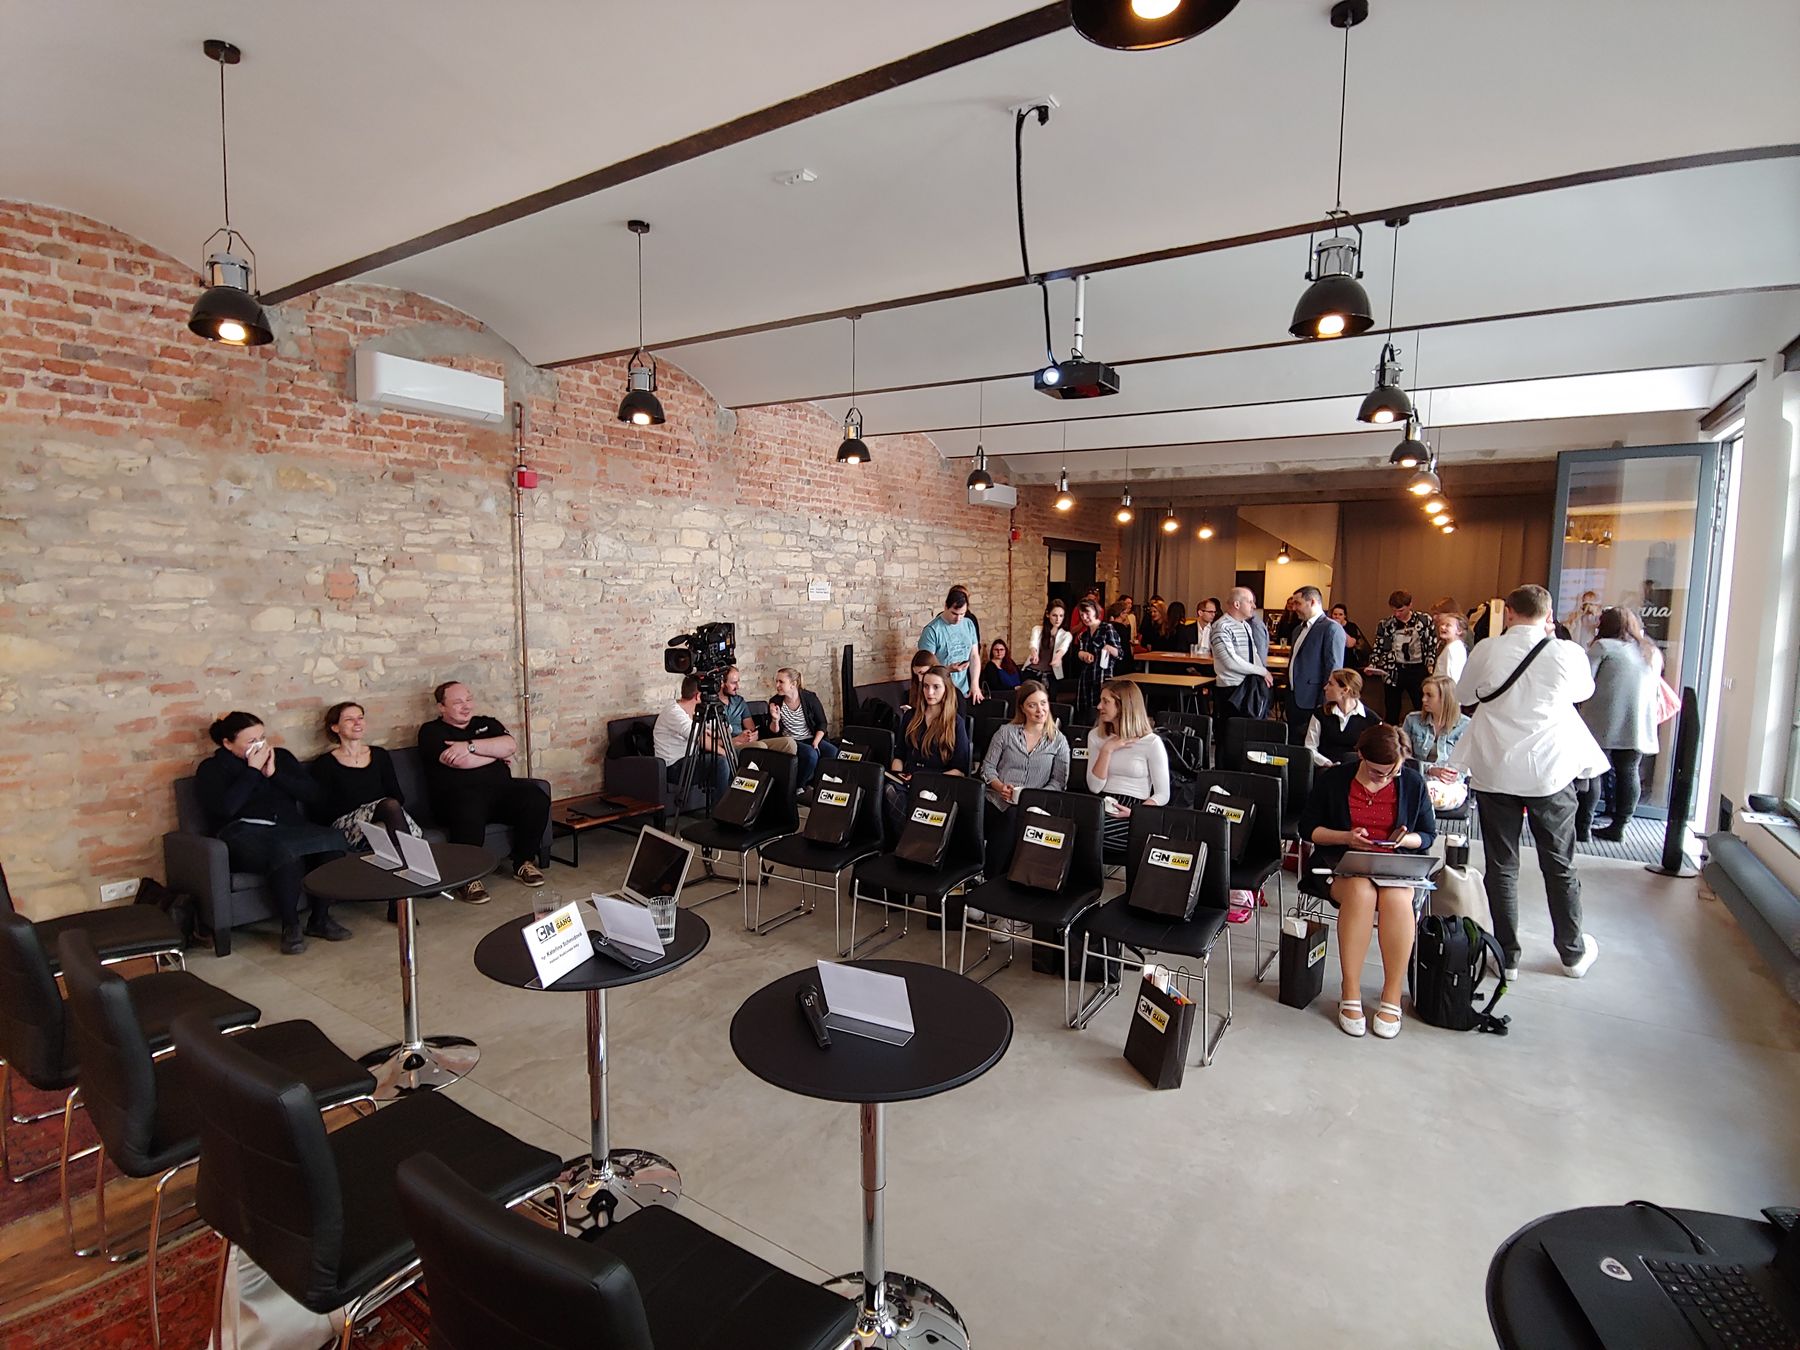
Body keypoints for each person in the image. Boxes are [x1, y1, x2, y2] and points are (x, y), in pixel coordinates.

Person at [1448, 584, 1608, 981]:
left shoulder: (1487, 649)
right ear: (1548, 615)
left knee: (1501, 865)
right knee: (1559, 863)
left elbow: (1465, 695)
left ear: (1510, 613)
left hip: (1495, 767)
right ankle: (1572, 953)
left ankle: (1507, 957)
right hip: (1548, 770)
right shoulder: (1566, 652)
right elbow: (1584, 691)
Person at [1299, 724, 1438, 1038]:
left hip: (1393, 863)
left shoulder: (1412, 782)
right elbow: (1308, 829)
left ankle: (1392, 993)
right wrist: (1346, 837)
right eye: (1377, 772)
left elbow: (1428, 834)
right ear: (1360, 755)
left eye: (1393, 773)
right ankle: (1350, 989)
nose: (1384, 778)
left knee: (1397, 898)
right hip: (1341, 864)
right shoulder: (1334, 779)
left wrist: (1404, 840)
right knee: (1361, 892)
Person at [197, 712, 350, 955]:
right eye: (251, 741)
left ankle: (320, 919)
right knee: (284, 851)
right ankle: (290, 926)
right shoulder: (212, 768)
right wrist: (252, 771)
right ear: (228, 743)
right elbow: (226, 808)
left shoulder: (281, 758)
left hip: (289, 828)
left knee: (333, 840)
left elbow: (314, 795)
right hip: (242, 832)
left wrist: (274, 774)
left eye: (262, 738)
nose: (259, 745)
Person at [418, 682, 550, 902]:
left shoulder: (487, 723)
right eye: (457, 702)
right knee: (468, 805)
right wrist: (495, 753)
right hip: (456, 800)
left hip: (499, 795)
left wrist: (469, 747)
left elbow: (510, 746)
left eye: (468, 700)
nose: (466, 706)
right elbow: (460, 762)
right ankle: (468, 877)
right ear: (441, 707)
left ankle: (524, 862)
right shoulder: (431, 732)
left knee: (535, 797)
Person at [311, 702, 424, 923]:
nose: (357, 723)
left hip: (384, 821)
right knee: (389, 808)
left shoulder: (380, 755)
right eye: (349, 719)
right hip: (347, 827)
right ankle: (410, 884)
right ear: (335, 727)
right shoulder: (325, 764)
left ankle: (397, 902)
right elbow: (321, 810)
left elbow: (397, 795)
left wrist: (376, 815)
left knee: (390, 812)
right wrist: (367, 811)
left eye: (360, 717)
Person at [1576, 607, 1664, 842]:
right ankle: (1620, 827)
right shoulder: (1650, 652)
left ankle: (1583, 827)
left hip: (1602, 719)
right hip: (1638, 722)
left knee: (1592, 771)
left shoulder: (1603, 647)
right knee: (1629, 771)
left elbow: (1583, 682)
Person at [977, 680, 1070, 871]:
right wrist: (1000, 786)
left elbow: (1059, 782)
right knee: (1003, 816)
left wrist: (1032, 797)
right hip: (997, 800)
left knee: (1012, 818)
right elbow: (987, 768)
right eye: (1032, 705)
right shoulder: (1005, 733)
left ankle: (992, 874)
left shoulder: (1059, 741)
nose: (1040, 710)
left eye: (1043, 703)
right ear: (1022, 708)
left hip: (1036, 804)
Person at [1084, 679, 1171, 854]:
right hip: (1103, 802)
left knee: (1087, 836)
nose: (1099, 706)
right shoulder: (1095, 736)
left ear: (1123, 706)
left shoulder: (1151, 742)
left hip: (1135, 808)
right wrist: (1107, 750)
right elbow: (1094, 787)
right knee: (1078, 830)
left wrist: (1136, 813)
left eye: (1106, 702)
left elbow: (1163, 794)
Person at [885, 665, 971, 835]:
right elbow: (899, 755)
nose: (929, 692)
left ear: (946, 689)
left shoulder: (955, 723)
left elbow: (960, 770)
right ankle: (907, 839)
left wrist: (925, 780)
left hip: (939, 781)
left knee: (920, 796)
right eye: (926, 686)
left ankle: (909, 839)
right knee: (888, 789)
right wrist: (897, 775)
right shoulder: (911, 716)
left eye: (936, 687)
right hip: (909, 778)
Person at [653, 675, 733, 806]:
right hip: (674, 767)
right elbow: (699, 738)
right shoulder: (674, 712)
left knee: (738, 753)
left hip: (692, 759)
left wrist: (715, 733)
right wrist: (725, 753)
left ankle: (740, 805)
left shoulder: (695, 711)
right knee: (721, 761)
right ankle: (721, 808)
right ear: (698, 696)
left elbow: (725, 729)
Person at [1284, 586, 1347, 741]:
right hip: (1294, 698)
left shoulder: (1331, 628)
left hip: (1314, 700)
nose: (1294, 608)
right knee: (1293, 742)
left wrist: (1326, 702)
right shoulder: (1298, 630)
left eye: (1298, 603)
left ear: (1312, 602)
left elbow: (1333, 669)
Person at [1367, 589, 1439, 722]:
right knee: (1392, 708)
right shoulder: (1386, 625)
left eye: (1401, 610)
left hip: (1417, 669)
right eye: (1394, 610)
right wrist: (1373, 664)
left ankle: (1424, 729)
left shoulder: (1424, 621)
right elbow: (1378, 647)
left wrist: (1430, 665)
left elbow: (1431, 644)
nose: (1397, 614)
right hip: (1394, 669)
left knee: (1421, 704)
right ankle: (1391, 732)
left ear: (1410, 605)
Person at [1402, 675, 1471, 812]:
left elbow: (1469, 763)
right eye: (1423, 694)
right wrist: (1429, 769)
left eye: (1429, 695)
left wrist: (1455, 775)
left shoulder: (1466, 725)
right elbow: (1402, 757)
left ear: (1445, 698)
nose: (1423, 699)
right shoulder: (1412, 720)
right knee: (1420, 795)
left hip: (1449, 784)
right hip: (1418, 778)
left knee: (1432, 798)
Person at [762, 666, 838, 788]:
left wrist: (816, 742)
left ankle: (818, 785)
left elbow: (822, 723)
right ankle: (797, 787)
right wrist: (775, 720)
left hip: (810, 737)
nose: (777, 685)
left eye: (781, 682)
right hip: (791, 741)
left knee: (832, 751)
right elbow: (773, 733)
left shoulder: (810, 698)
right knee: (811, 755)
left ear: (793, 684)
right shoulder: (775, 701)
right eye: (776, 681)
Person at [1211, 586, 1272, 722]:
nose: (1254, 606)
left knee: (1250, 730)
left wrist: (1262, 675)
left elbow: (1254, 653)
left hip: (1249, 686)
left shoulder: (1245, 625)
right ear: (1237, 604)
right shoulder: (1221, 627)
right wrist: (1262, 671)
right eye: (1250, 602)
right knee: (1231, 730)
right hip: (1232, 689)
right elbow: (1230, 662)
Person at [919, 586, 984, 706]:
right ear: (945, 607)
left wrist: (975, 684)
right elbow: (925, 669)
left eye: (962, 614)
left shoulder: (968, 624)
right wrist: (948, 669)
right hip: (939, 693)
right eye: (954, 613)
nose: (958, 618)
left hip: (963, 691)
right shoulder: (932, 630)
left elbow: (974, 656)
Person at [1303, 669, 1381, 767]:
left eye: (1330, 684)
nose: (1325, 688)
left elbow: (1376, 754)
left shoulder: (1373, 721)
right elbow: (1310, 747)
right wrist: (1327, 763)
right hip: (1325, 769)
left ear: (1345, 690)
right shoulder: (1320, 714)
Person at [1072, 597, 1124, 720]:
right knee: (1086, 713)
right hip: (1086, 679)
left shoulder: (1107, 628)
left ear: (1095, 611)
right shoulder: (1084, 635)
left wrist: (1109, 648)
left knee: (1101, 711)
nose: (1085, 618)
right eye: (1082, 615)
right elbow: (1079, 653)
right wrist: (1082, 655)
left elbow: (1120, 654)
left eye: (1087, 613)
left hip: (1102, 677)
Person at [720, 666, 781, 753]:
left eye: (738, 682)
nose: (738, 686)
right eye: (734, 683)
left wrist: (754, 735)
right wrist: (735, 739)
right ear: (722, 683)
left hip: (745, 741)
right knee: (760, 747)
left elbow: (751, 728)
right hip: (729, 744)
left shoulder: (739, 701)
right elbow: (705, 740)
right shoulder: (710, 705)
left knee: (788, 743)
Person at [1022, 601, 1072, 693]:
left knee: (1050, 700)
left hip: (1051, 675)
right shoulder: (1037, 629)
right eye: (1054, 615)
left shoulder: (1066, 635)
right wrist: (1034, 654)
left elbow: (1063, 648)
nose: (1058, 619)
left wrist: (1058, 658)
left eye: (1061, 616)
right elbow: (1033, 643)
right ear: (1047, 614)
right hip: (1032, 672)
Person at [898, 649, 936, 723]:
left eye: (922, 673)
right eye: (916, 675)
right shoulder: (909, 694)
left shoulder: (954, 694)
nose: (920, 679)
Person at [1433, 611, 1468, 685]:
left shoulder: (1453, 649)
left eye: (1448, 625)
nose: (1442, 627)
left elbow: (1452, 677)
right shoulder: (1455, 646)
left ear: (1459, 631)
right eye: (1442, 624)